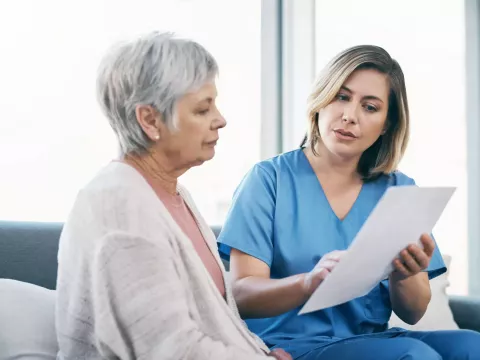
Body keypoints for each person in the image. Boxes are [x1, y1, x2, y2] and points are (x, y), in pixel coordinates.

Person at [217, 44, 480, 360]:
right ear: (321, 100)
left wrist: (404, 273)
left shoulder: (399, 189)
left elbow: (413, 313)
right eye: (342, 97)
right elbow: (242, 294)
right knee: (414, 356)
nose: (349, 116)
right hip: (291, 345)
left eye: (370, 107)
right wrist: (308, 283)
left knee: (471, 346)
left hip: (375, 341)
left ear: (387, 124)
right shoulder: (268, 180)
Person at [55, 32, 291, 360]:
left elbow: (216, 320)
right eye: (202, 109)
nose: (220, 120)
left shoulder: (172, 192)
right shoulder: (118, 204)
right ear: (150, 119)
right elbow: (172, 349)